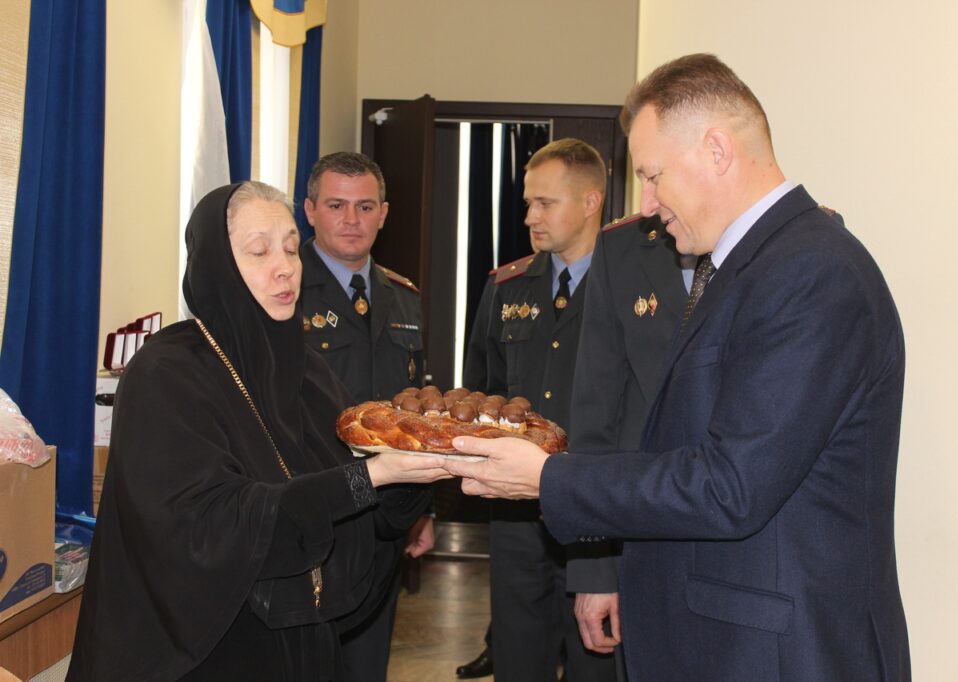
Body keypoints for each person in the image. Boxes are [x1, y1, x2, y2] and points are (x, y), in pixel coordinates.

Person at [444, 53, 911, 681]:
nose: (649, 202)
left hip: (777, 653)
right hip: (721, 641)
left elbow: (731, 485)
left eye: (655, 175)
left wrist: (549, 480)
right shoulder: (749, 264)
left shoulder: (810, 271)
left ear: (716, 150)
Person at [68, 182, 449, 681]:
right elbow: (208, 525)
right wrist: (369, 479)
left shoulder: (309, 372)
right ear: (216, 266)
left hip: (301, 640)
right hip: (205, 651)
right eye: (259, 250)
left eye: (291, 247)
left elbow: (352, 517)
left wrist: (418, 477)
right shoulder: (165, 373)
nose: (286, 265)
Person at [463, 138, 618, 682]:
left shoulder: (631, 287)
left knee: (594, 661)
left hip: (596, 508)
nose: (530, 216)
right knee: (518, 656)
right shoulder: (506, 287)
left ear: (591, 201)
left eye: (545, 203)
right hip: (516, 515)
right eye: (528, 202)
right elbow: (480, 392)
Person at [300, 151, 434, 680]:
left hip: (385, 514)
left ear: (384, 213)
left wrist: (423, 508)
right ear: (309, 210)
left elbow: (418, 410)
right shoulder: (282, 292)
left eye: (364, 206)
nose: (351, 220)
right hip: (314, 507)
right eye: (336, 205)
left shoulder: (405, 298)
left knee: (367, 661)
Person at [566, 212, 690, 678]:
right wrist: (597, 569)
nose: (650, 199)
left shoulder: (775, 246)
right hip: (642, 537)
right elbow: (597, 419)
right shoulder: (621, 250)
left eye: (656, 174)